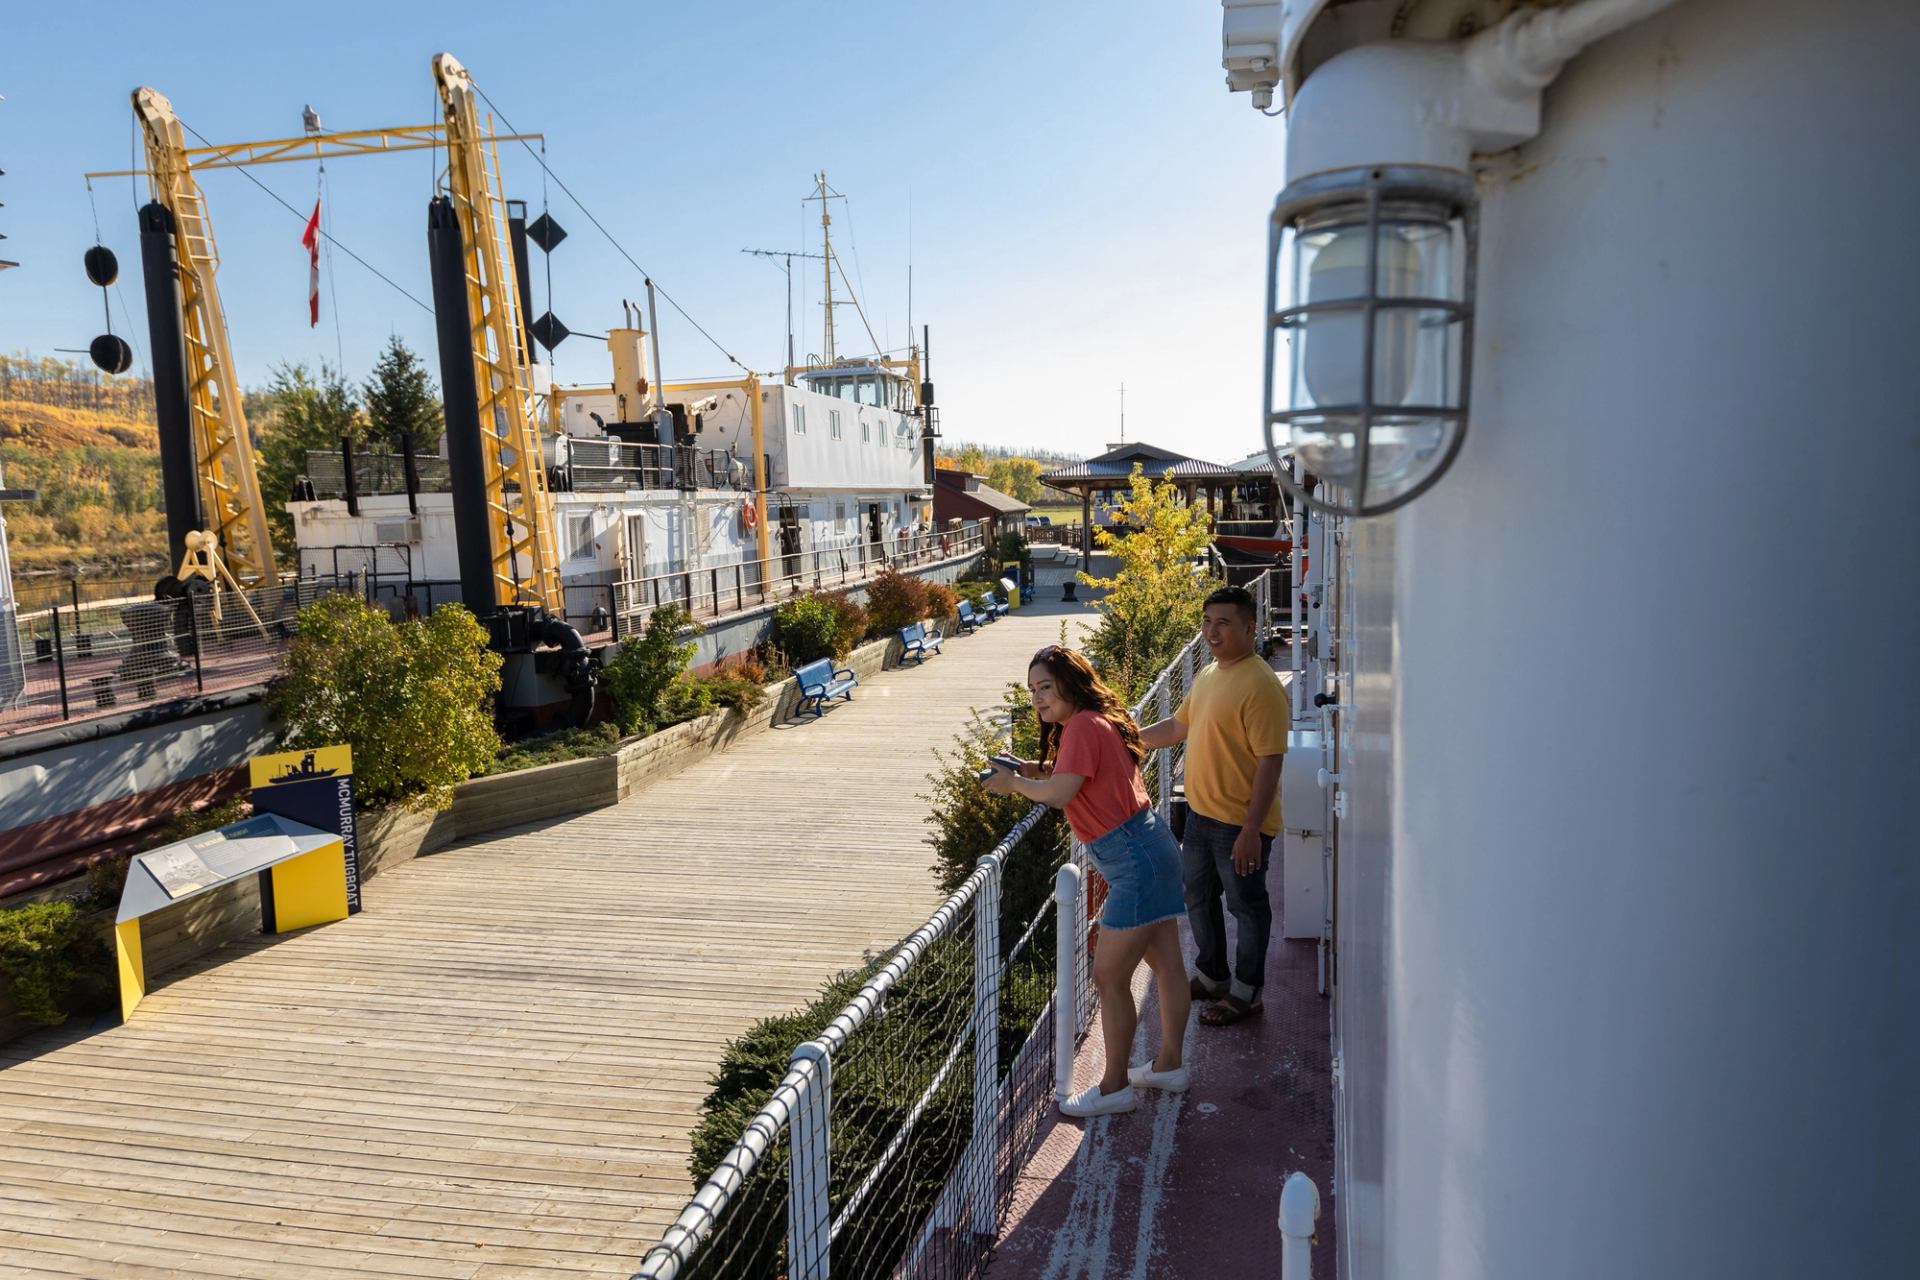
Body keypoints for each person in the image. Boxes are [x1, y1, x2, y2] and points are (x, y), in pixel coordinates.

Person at [983, 645, 1192, 1116]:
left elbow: (1060, 794)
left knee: (1109, 975)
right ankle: (1169, 1066)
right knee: (1166, 964)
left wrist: (1014, 783)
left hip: (1133, 863)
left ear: (1070, 685)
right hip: (1152, 847)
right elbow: (1079, 776)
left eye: (1046, 688)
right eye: (1032, 690)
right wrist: (1032, 769)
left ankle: (1115, 1085)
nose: (1037, 698)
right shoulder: (1097, 720)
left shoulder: (1078, 726)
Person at [1140, 585, 1288, 1026]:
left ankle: (1247, 992)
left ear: (1249, 627)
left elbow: (1270, 763)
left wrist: (1250, 831)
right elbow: (1177, 726)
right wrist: (1126, 737)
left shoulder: (1260, 685)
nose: (1212, 631)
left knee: (1246, 907)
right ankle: (1213, 976)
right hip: (1200, 818)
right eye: (1207, 622)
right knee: (1197, 899)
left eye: (1223, 623)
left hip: (1239, 825)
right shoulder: (1209, 675)